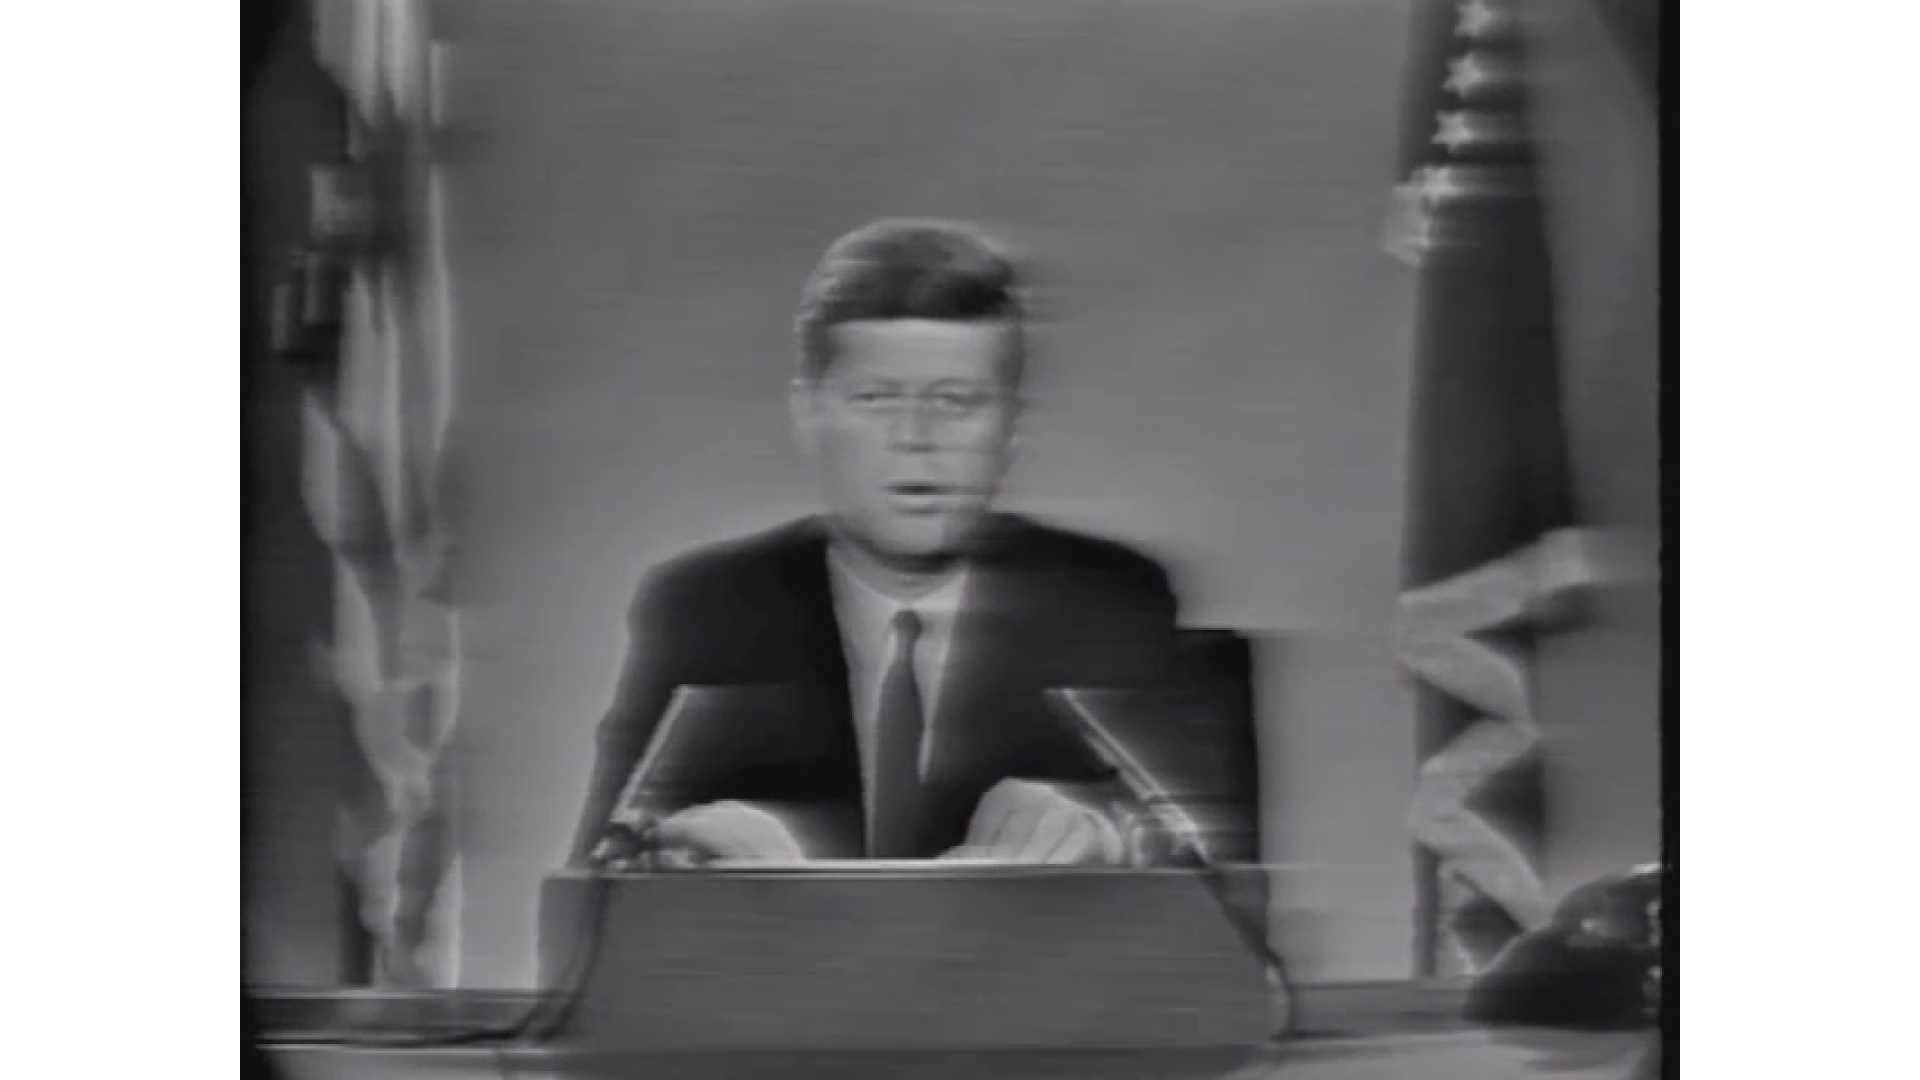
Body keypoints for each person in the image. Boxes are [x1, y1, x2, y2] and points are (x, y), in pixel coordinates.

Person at [567, 218, 1191, 868]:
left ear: (1010, 425)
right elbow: (581, 913)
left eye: (955, 402)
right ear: (808, 415)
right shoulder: (704, 609)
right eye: (875, 399)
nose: (915, 437)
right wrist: (671, 857)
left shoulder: (1114, 602)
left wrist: (1109, 840)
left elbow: (1220, 909)